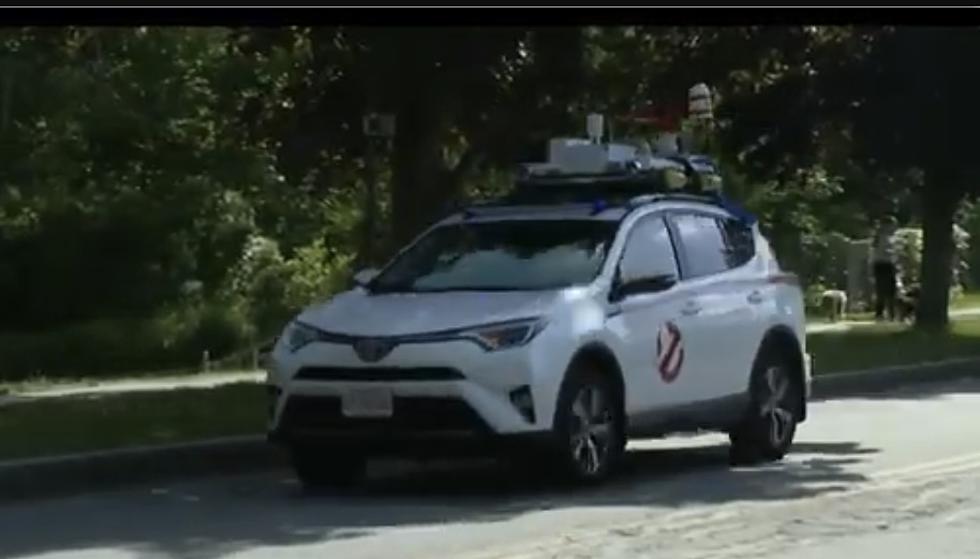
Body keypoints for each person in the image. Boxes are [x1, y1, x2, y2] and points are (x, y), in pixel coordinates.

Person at [871, 216, 899, 321]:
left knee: (890, 290)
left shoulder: (889, 237)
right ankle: (882, 314)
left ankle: (890, 313)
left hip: (886, 263)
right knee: (883, 290)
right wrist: (892, 252)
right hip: (883, 264)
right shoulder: (882, 236)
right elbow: (882, 250)